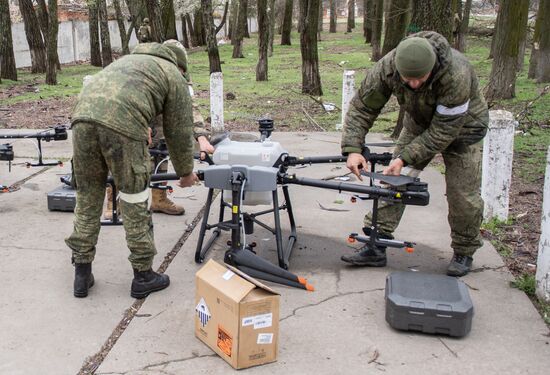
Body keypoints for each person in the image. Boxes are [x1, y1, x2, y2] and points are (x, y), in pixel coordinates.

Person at [340, 31, 489, 277]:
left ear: (433, 68)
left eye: (420, 78)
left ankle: (464, 250)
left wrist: (404, 157)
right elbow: (364, 106)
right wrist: (353, 148)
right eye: (407, 79)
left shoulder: (457, 74)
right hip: (419, 124)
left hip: (464, 130)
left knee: (463, 194)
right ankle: (378, 243)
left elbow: (443, 132)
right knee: (394, 180)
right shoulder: (387, 67)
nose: (414, 85)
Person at [66, 42, 198, 299]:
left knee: (88, 195)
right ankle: (143, 275)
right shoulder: (173, 74)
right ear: (181, 66)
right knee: (135, 198)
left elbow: (122, 100)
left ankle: (81, 274)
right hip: (121, 126)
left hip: (82, 120)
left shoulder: (129, 62)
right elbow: (179, 130)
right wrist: (185, 171)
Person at [103, 40, 214, 219]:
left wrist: (201, 137)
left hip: (155, 116)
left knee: (161, 150)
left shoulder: (180, 77)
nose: (180, 74)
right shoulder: (141, 68)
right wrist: (141, 126)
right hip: (124, 114)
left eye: (182, 71)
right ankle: (113, 202)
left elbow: (188, 108)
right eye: (178, 69)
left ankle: (159, 198)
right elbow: (130, 100)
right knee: (122, 156)